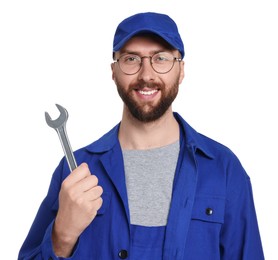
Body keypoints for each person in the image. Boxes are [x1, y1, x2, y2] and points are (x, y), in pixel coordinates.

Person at [18, 12, 264, 260]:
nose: (146, 75)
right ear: (113, 71)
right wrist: (62, 236)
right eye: (131, 59)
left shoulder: (224, 169)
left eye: (161, 58)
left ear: (181, 70)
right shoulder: (75, 172)